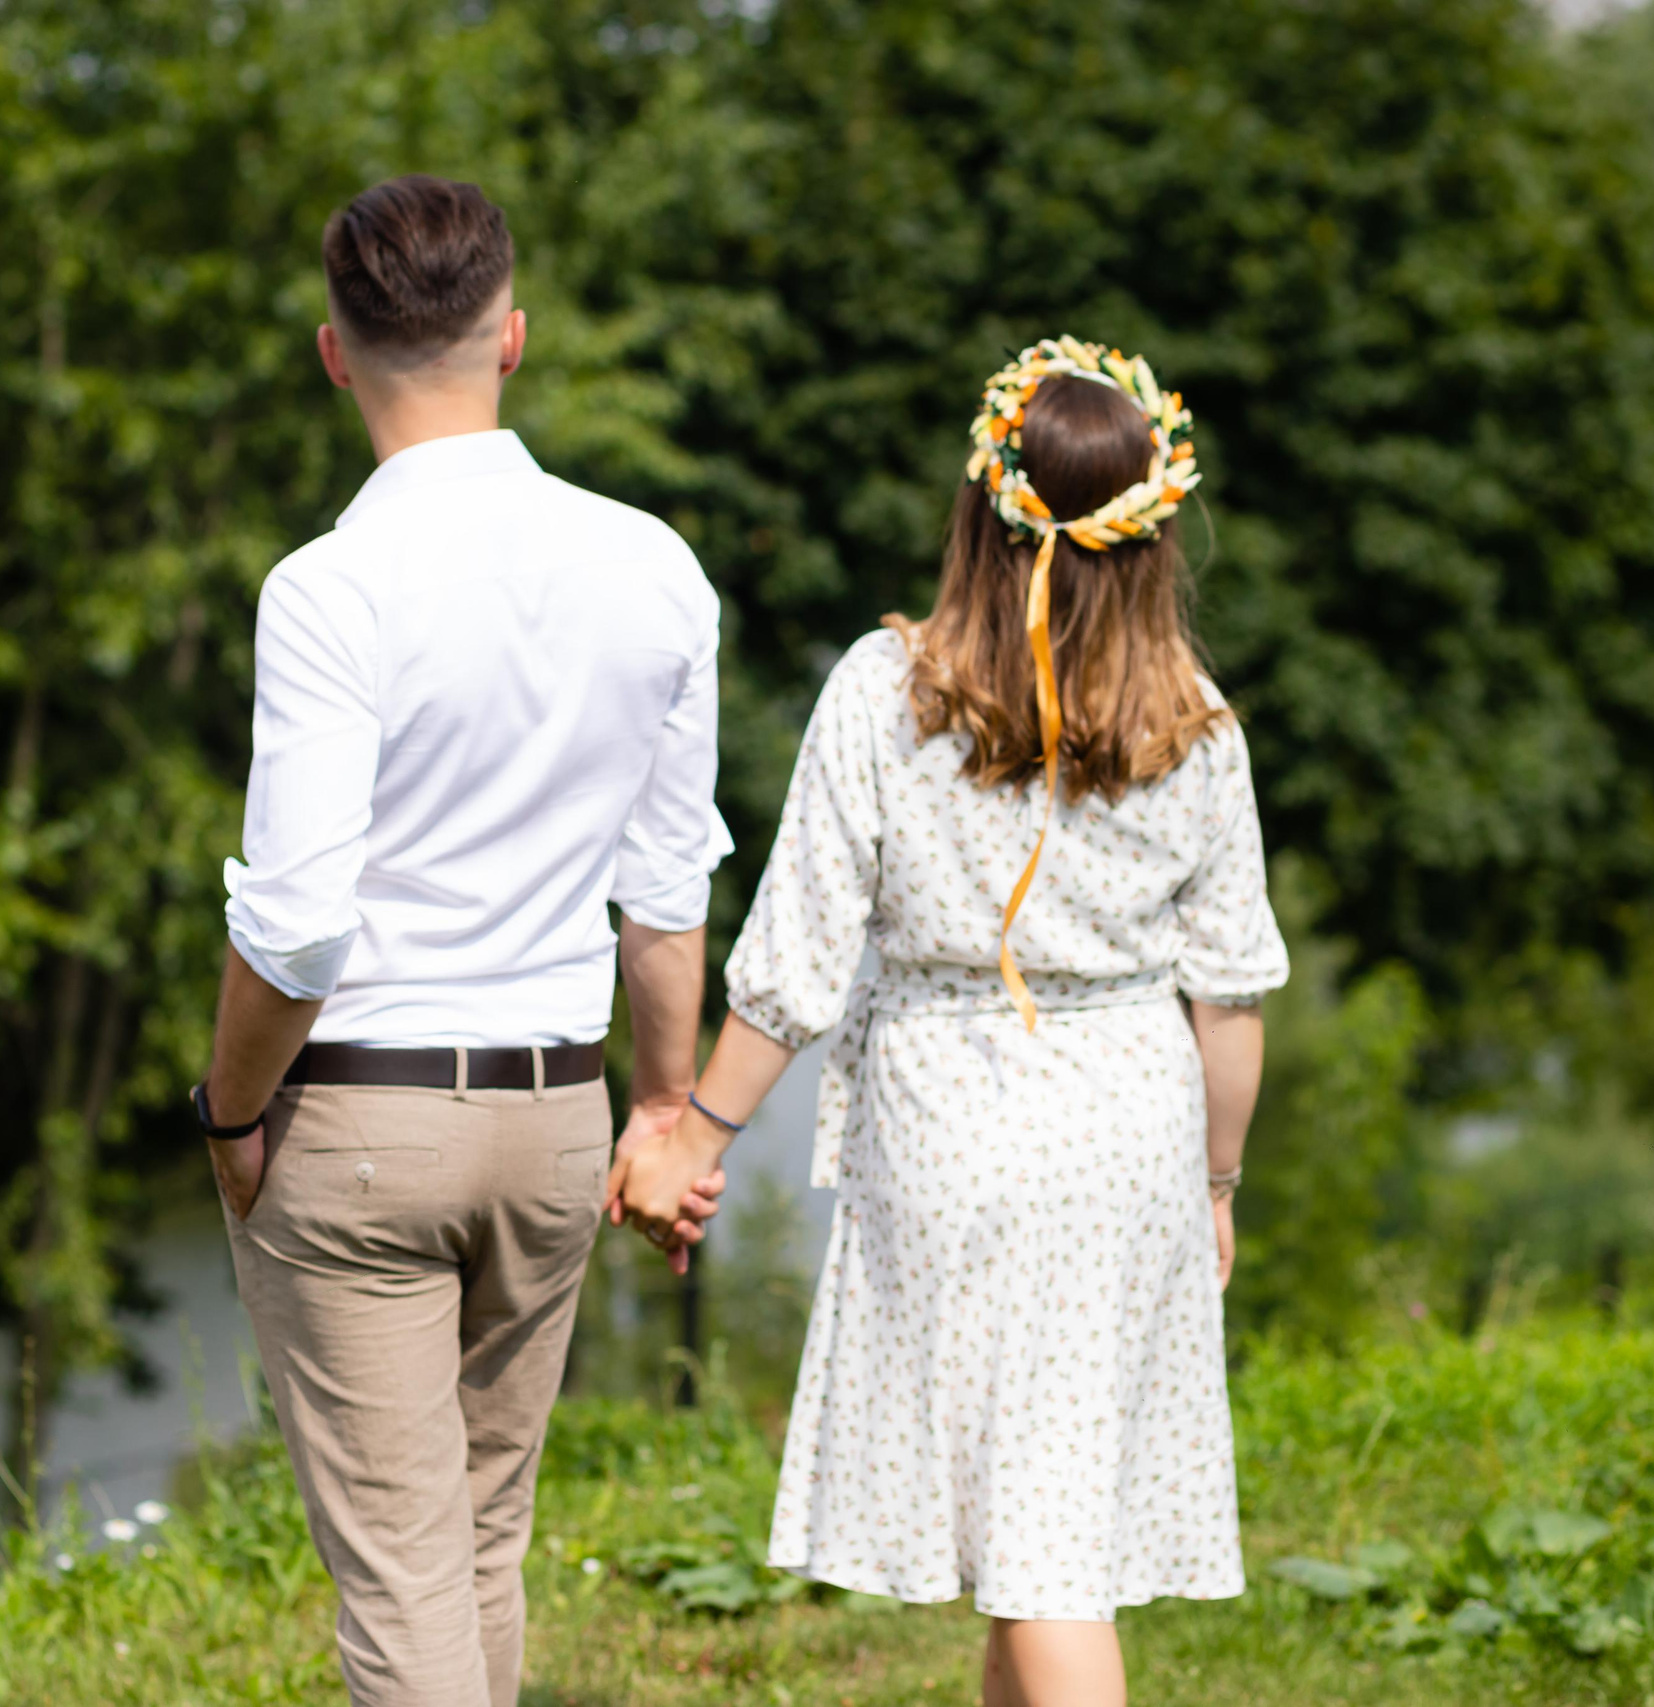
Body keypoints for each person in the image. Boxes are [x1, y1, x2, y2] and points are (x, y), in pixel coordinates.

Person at [612, 338, 1288, 1707]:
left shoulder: (890, 689)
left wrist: (697, 1131)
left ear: (980, 513)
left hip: (958, 1123)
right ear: (1153, 538)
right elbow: (1229, 997)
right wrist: (1215, 1183)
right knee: (1039, 1523)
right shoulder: (1198, 725)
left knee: (1039, 1556)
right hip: (1132, 1133)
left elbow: (797, 957)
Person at [192, 174, 729, 1707]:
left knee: (406, 1585)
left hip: (362, 1122)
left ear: (331, 354)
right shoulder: (655, 569)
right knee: (479, 1549)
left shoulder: (331, 588)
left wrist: (231, 1110)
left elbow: (294, 922)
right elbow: (668, 881)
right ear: (513, 337)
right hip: (557, 1118)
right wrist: (666, 1106)